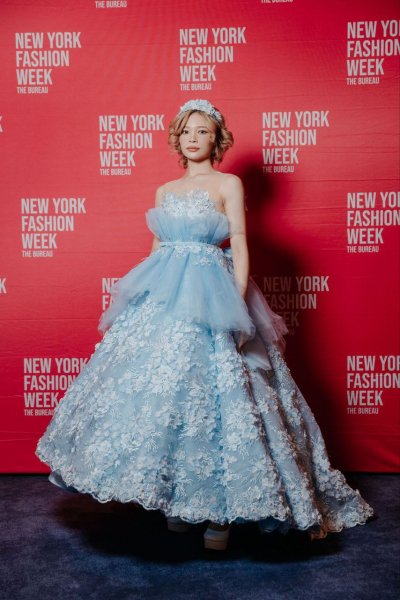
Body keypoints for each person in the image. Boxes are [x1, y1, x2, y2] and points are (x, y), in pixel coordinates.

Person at [35, 99, 374, 551]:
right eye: (186, 132)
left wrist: (236, 306)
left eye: (203, 132)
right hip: (167, 298)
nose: (193, 139)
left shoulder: (228, 183)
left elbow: (239, 242)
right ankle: (179, 501)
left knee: (220, 398)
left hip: (213, 294)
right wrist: (140, 302)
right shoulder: (164, 190)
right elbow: (156, 250)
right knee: (170, 396)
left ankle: (220, 515)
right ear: (177, 139)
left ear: (217, 140)